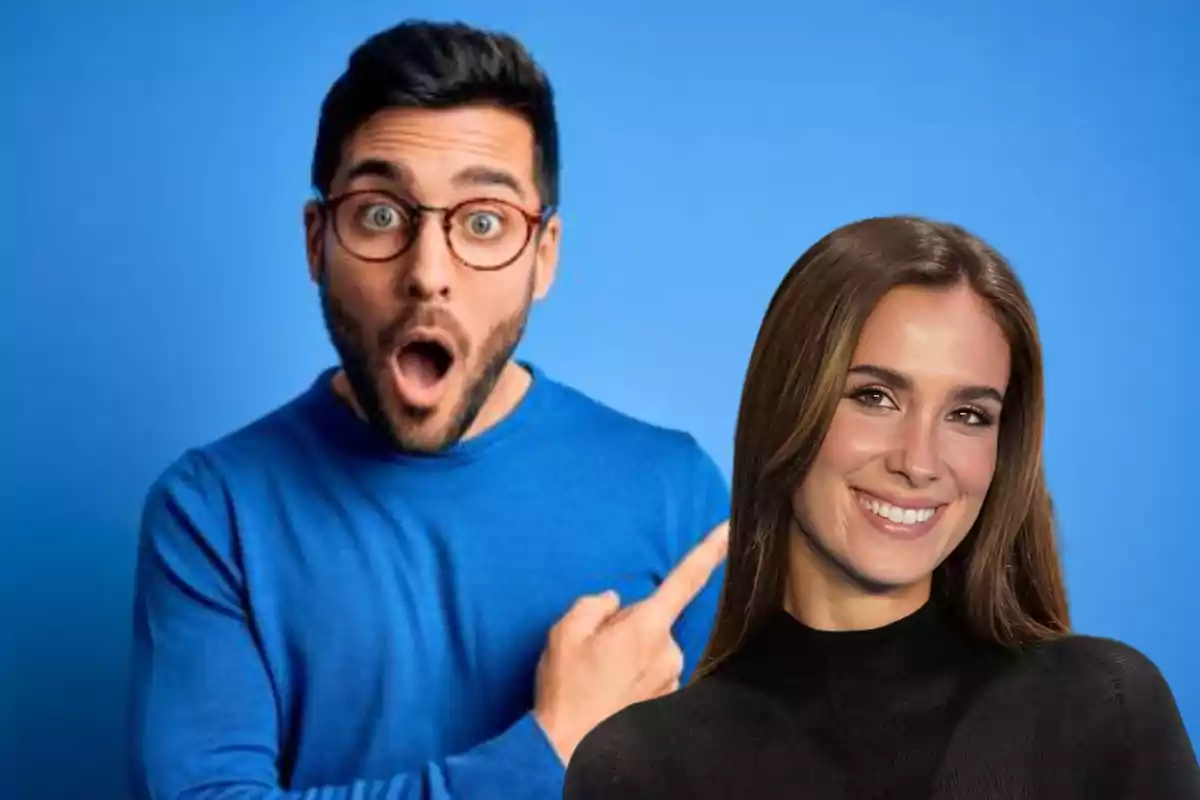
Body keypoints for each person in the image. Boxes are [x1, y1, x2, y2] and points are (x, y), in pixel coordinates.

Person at [127, 20, 731, 800]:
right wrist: (551, 752)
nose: (428, 274)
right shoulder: (213, 513)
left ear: (543, 257)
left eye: (483, 222)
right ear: (318, 242)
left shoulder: (675, 496)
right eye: (380, 214)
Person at [563, 216, 1200, 799]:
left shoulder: (1103, 708)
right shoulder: (641, 769)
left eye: (967, 414)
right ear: (787, 406)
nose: (919, 462)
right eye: (874, 396)